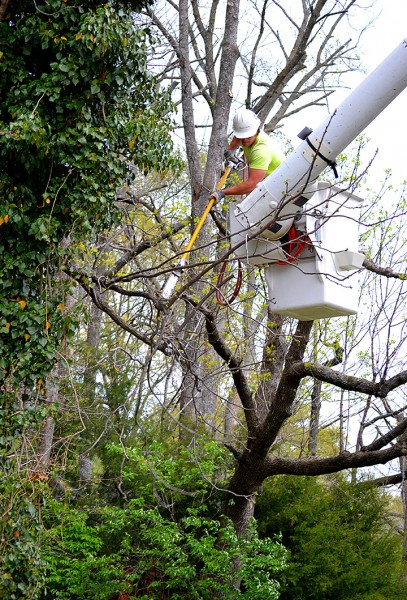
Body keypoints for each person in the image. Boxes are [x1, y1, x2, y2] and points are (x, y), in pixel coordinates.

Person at [210, 108, 284, 202]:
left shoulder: (261, 151)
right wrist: (229, 152)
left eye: (247, 136)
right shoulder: (245, 133)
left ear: (256, 131)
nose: (244, 141)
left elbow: (252, 184)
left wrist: (222, 193)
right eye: (242, 137)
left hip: (278, 186)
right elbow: (237, 137)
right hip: (262, 181)